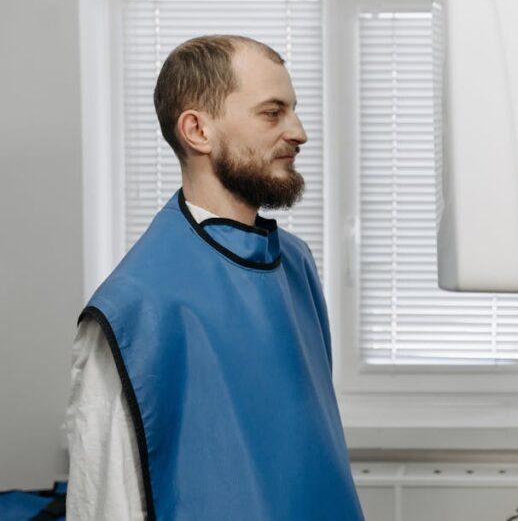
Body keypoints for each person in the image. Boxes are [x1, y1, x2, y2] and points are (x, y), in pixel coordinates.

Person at [65, 35, 363, 520]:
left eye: (294, 111)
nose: (300, 132)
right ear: (197, 131)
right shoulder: (133, 310)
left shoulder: (296, 263)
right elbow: (103, 504)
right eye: (273, 113)